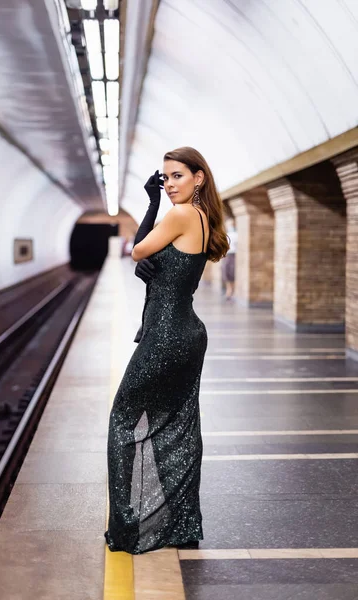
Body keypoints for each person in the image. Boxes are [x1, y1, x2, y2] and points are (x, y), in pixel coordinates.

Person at [104, 147, 230, 554]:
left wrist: (152, 202)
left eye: (177, 176)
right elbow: (159, 263)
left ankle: (126, 529)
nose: (170, 184)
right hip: (187, 334)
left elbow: (138, 250)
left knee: (123, 420)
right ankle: (182, 523)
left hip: (166, 337)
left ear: (199, 178)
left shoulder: (179, 214)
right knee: (178, 425)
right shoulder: (204, 218)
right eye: (165, 178)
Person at [221, 218, 237, 300]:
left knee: (232, 272)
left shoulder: (236, 235)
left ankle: (232, 291)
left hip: (233, 255)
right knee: (226, 272)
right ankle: (228, 290)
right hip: (227, 255)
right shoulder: (227, 234)